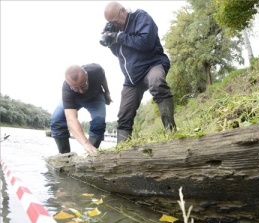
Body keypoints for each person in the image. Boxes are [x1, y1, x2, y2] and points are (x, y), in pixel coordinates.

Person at [103, 2, 177, 143]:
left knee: (157, 82)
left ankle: (172, 134)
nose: (115, 25)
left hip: (152, 65)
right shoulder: (116, 28)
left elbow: (145, 42)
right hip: (132, 77)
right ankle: (121, 150)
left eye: (115, 22)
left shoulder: (141, 17)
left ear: (123, 11)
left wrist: (119, 37)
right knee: (124, 113)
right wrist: (110, 40)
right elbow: (119, 53)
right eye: (110, 23)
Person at [50, 63, 112, 154]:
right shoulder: (67, 89)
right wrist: (85, 143)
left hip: (95, 97)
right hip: (75, 100)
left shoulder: (96, 70)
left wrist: (107, 92)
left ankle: (90, 155)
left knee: (99, 121)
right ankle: (65, 155)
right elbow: (71, 118)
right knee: (56, 120)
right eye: (76, 88)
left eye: (83, 86)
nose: (81, 91)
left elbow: (102, 78)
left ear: (87, 75)